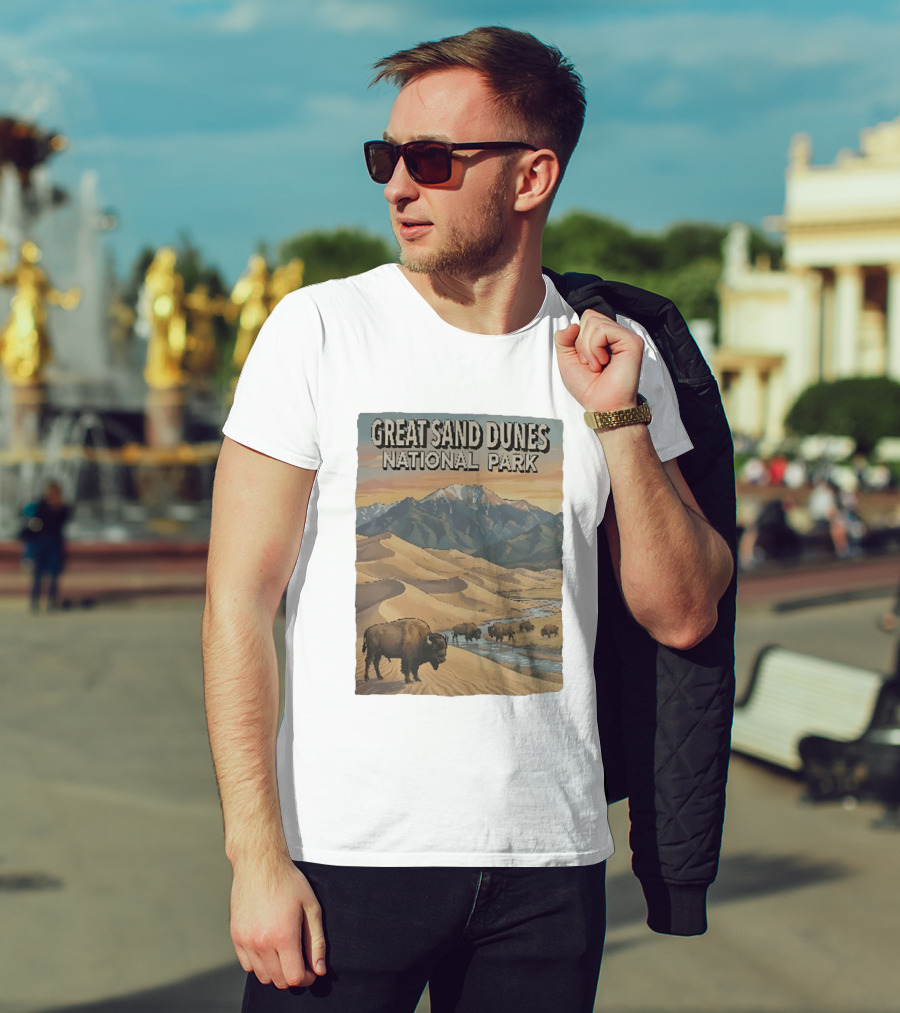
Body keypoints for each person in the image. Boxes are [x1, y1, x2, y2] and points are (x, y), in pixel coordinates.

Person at [202, 26, 734, 1013]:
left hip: (548, 865)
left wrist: (618, 417)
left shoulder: (617, 356)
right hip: (343, 863)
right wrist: (255, 854)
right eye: (385, 157)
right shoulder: (318, 330)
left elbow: (685, 610)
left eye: (433, 160)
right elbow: (239, 605)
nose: (399, 185)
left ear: (532, 176)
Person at [24, 480, 70, 611]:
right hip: (41, 541)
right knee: (38, 572)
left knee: (54, 573)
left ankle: (51, 600)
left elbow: (63, 520)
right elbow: (33, 519)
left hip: (55, 541)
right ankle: (35, 600)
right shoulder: (41, 504)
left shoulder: (62, 507)